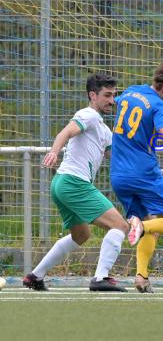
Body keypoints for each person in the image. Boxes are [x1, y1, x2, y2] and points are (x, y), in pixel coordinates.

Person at [23, 74, 130, 292]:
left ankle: (35, 276)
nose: (112, 100)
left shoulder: (104, 130)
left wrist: (154, 173)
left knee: (81, 235)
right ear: (93, 95)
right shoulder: (88, 114)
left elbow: (121, 161)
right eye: (107, 95)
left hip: (62, 184)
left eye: (114, 96)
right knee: (120, 225)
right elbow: (67, 131)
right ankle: (100, 278)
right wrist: (54, 151)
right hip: (74, 183)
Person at [110, 62, 163, 293]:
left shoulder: (129, 93)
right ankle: (141, 225)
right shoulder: (160, 106)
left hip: (119, 176)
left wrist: (159, 171)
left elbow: (115, 110)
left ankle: (141, 277)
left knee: (153, 227)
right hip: (144, 174)